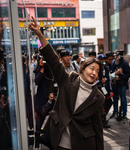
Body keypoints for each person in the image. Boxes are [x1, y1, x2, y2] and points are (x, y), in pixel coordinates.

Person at [29, 17, 105, 150]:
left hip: (83, 144)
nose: (94, 73)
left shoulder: (98, 97)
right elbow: (52, 60)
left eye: (97, 71)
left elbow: (97, 126)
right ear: (82, 68)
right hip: (60, 140)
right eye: (92, 69)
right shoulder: (68, 79)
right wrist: (40, 35)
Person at [110, 50, 130, 119]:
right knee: (114, 98)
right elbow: (111, 72)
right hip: (114, 84)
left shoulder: (124, 63)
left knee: (123, 99)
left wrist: (120, 77)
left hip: (122, 84)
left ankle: (123, 113)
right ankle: (115, 111)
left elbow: (128, 73)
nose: (116, 57)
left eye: (117, 55)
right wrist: (112, 79)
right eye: (115, 55)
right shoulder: (113, 62)